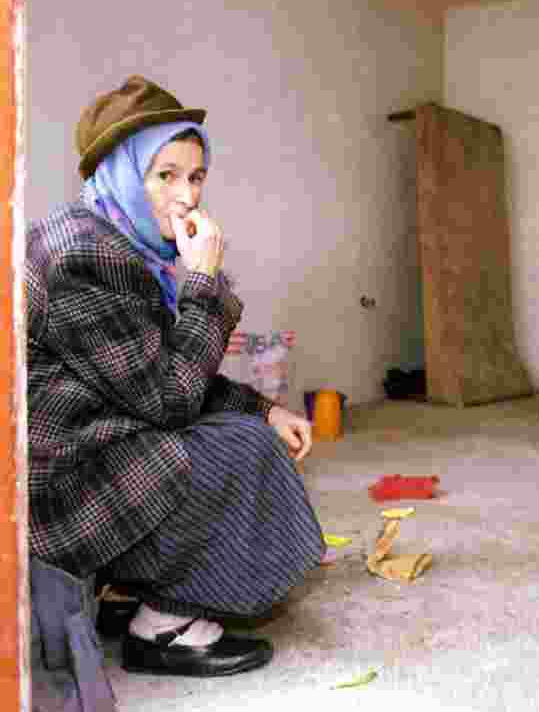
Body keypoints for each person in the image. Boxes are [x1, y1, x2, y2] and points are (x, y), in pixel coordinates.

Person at [26, 75, 327, 678]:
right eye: (164, 176)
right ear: (117, 173)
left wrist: (266, 408)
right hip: (52, 496)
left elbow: (154, 371)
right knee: (236, 453)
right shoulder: (87, 256)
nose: (185, 196)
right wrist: (204, 284)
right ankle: (166, 627)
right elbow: (170, 400)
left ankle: (131, 589)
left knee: (245, 430)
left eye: (195, 177)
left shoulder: (119, 241)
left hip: (87, 455)